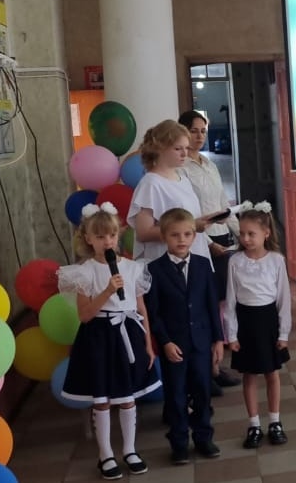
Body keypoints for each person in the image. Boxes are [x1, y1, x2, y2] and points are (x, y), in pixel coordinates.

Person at [57, 202, 160, 480]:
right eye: (100, 236)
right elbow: (85, 315)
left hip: (128, 333)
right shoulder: (85, 271)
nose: (108, 241)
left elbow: (141, 308)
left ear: (118, 235)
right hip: (98, 337)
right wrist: (106, 291)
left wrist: (148, 343)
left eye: (112, 235)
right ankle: (105, 454)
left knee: (127, 398)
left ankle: (130, 450)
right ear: (88, 238)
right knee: (102, 399)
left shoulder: (133, 268)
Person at [145, 208, 224, 464]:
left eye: (187, 234)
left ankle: (203, 437)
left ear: (194, 236)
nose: (181, 240)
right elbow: (154, 313)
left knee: (202, 391)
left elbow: (212, 305)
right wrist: (165, 342)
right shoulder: (154, 270)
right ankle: (179, 442)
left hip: (201, 341)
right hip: (174, 345)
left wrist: (218, 339)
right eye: (175, 235)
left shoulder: (202, 265)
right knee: (176, 394)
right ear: (164, 237)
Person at [177, 110, 242, 392]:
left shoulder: (209, 164)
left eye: (203, 131)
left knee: (220, 305)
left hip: (223, 238)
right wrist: (206, 243)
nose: (199, 136)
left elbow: (222, 205)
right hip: (199, 243)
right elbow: (185, 214)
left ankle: (216, 366)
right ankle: (207, 371)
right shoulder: (180, 169)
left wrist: (241, 234)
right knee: (204, 306)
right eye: (193, 131)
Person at [222, 201, 292, 449]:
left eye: (251, 234)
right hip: (246, 323)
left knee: (272, 373)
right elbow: (230, 301)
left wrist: (284, 333)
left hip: (268, 321)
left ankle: (275, 421)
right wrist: (231, 334)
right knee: (249, 375)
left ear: (266, 233)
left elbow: (283, 299)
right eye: (242, 233)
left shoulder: (276, 260)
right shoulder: (235, 261)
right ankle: (254, 424)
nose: (245, 239)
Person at [127, 119, 214, 264]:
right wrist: (191, 226)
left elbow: (188, 217)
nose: (184, 154)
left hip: (194, 257)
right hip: (167, 263)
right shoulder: (150, 184)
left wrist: (205, 221)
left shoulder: (183, 179)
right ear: (160, 149)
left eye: (186, 148)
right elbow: (143, 232)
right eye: (178, 149)